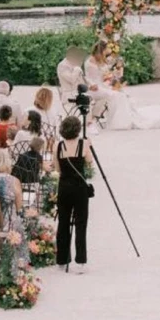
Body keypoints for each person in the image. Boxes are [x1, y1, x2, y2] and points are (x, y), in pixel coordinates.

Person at [81, 42, 160, 131]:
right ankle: (116, 120)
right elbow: (86, 77)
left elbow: (106, 74)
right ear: (101, 50)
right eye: (106, 51)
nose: (107, 53)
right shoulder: (89, 62)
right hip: (94, 88)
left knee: (121, 94)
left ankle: (122, 119)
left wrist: (114, 75)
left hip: (103, 86)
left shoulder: (102, 61)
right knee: (116, 95)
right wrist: (91, 84)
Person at [54, 116, 92, 274]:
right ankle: (81, 260)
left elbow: (57, 168)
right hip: (79, 188)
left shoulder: (58, 145)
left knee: (63, 223)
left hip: (64, 187)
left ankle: (62, 259)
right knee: (81, 223)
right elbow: (89, 163)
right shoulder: (83, 144)